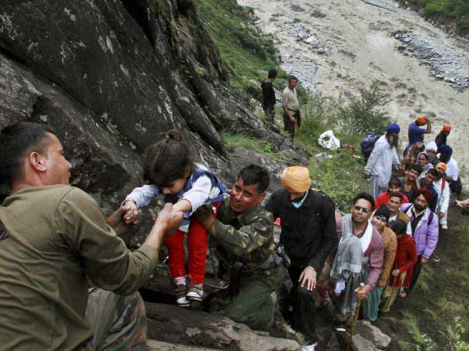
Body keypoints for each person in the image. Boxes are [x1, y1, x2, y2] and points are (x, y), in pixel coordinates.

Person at [0, 122, 183, 351]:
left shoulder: (5, 217)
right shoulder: (67, 199)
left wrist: (110, 227)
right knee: (125, 299)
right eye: (62, 155)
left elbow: (58, 251)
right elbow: (127, 277)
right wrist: (160, 227)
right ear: (37, 161)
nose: (69, 165)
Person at [123, 130, 226, 306]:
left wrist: (173, 210)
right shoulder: (167, 178)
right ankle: (179, 281)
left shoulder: (202, 178)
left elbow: (196, 197)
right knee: (172, 239)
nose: (163, 191)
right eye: (161, 186)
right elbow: (145, 191)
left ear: (186, 172)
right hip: (180, 203)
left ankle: (196, 282)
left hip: (206, 204)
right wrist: (131, 202)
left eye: (168, 186)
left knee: (197, 239)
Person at [194, 165, 281, 331]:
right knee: (207, 305)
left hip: (261, 275)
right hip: (235, 272)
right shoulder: (224, 202)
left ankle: (268, 305)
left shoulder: (263, 220)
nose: (238, 197)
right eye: (237, 188)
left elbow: (241, 243)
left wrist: (207, 220)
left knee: (234, 317)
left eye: (247, 194)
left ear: (260, 198)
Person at [265, 166, 337, 349]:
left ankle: (309, 338)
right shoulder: (279, 198)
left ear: (305, 188)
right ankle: (284, 317)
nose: (291, 196)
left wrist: (313, 266)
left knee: (304, 292)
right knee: (279, 284)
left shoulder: (323, 203)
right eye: (289, 191)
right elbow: (263, 223)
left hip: (311, 257)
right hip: (287, 254)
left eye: (295, 193)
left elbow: (330, 239)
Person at [330, 193, 384, 332]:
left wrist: (366, 288)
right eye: (357, 208)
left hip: (356, 273)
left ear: (371, 213)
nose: (360, 212)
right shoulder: (340, 224)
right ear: (352, 208)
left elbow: (376, 267)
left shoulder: (375, 238)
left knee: (348, 293)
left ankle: (341, 318)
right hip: (332, 263)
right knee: (319, 279)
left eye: (365, 210)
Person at [400, 188, 439, 296]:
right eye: (418, 200)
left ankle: (406, 290)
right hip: (402, 246)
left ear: (427, 203)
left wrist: (426, 255)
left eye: (423, 201)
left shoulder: (432, 218)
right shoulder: (404, 208)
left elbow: (432, 238)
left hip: (417, 250)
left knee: (414, 271)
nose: (419, 203)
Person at [362, 205, 397, 322]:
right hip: (357, 267)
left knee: (371, 298)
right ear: (372, 216)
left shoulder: (390, 236)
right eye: (377, 218)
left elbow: (389, 259)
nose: (379, 222)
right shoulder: (363, 227)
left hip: (374, 271)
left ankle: (368, 320)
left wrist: (383, 279)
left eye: (383, 220)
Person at [381, 220, 417, 311]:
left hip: (397, 271)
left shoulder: (409, 242)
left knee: (392, 291)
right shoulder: (387, 236)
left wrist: (400, 270)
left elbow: (413, 259)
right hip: (387, 267)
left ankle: (385, 309)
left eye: (396, 235)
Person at [364, 124, 400, 199]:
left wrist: (398, 163)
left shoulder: (391, 142)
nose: (397, 135)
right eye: (396, 134)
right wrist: (367, 172)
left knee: (382, 196)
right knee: (374, 197)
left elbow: (394, 154)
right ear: (392, 134)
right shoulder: (381, 144)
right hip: (377, 174)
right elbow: (372, 158)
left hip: (386, 173)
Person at [434, 162, 451, 230]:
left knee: (444, 204)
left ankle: (443, 222)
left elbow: (446, 197)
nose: (440, 171)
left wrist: (443, 210)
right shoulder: (427, 177)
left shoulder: (444, 183)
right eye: (438, 168)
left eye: (442, 170)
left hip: (438, 205)